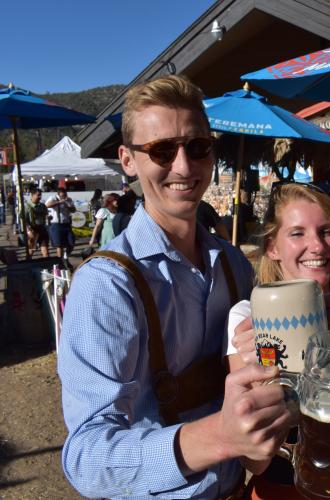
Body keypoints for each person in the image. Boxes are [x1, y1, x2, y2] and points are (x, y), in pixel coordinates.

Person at [58, 74, 293, 498]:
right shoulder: (107, 284)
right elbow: (86, 459)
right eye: (162, 150)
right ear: (128, 160)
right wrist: (220, 437)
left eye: (197, 148)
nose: (183, 167)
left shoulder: (233, 263)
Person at [225, 181, 330, 499]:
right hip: (279, 490)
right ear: (272, 247)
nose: (318, 246)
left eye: (326, 232)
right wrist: (266, 373)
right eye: (298, 233)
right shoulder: (246, 318)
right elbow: (253, 462)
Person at [45, 186, 76, 260]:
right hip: (56, 224)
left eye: (65, 195)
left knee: (71, 243)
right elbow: (47, 205)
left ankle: (65, 256)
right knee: (59, 245)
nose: (64, 197)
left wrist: (67, 206)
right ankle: (60, 261)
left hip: (66, 224)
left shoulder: (69, 200)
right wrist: (59, 202)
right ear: (58, 194)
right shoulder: (53, 198)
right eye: (62, 196)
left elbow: (73, 209)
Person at [24, 187, 50, 258]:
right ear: (32, 195)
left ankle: (47, 265)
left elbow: (46, 215)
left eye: (40, 195)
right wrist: (28, 231)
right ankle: (27, 265)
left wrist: (48, 218)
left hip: (41, 229)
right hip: (32, 230)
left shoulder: (42, 206)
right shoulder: (26, 206)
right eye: (38, 195)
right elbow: (23, 220)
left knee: (45, 251)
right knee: (31, 251)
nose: (40, 197)